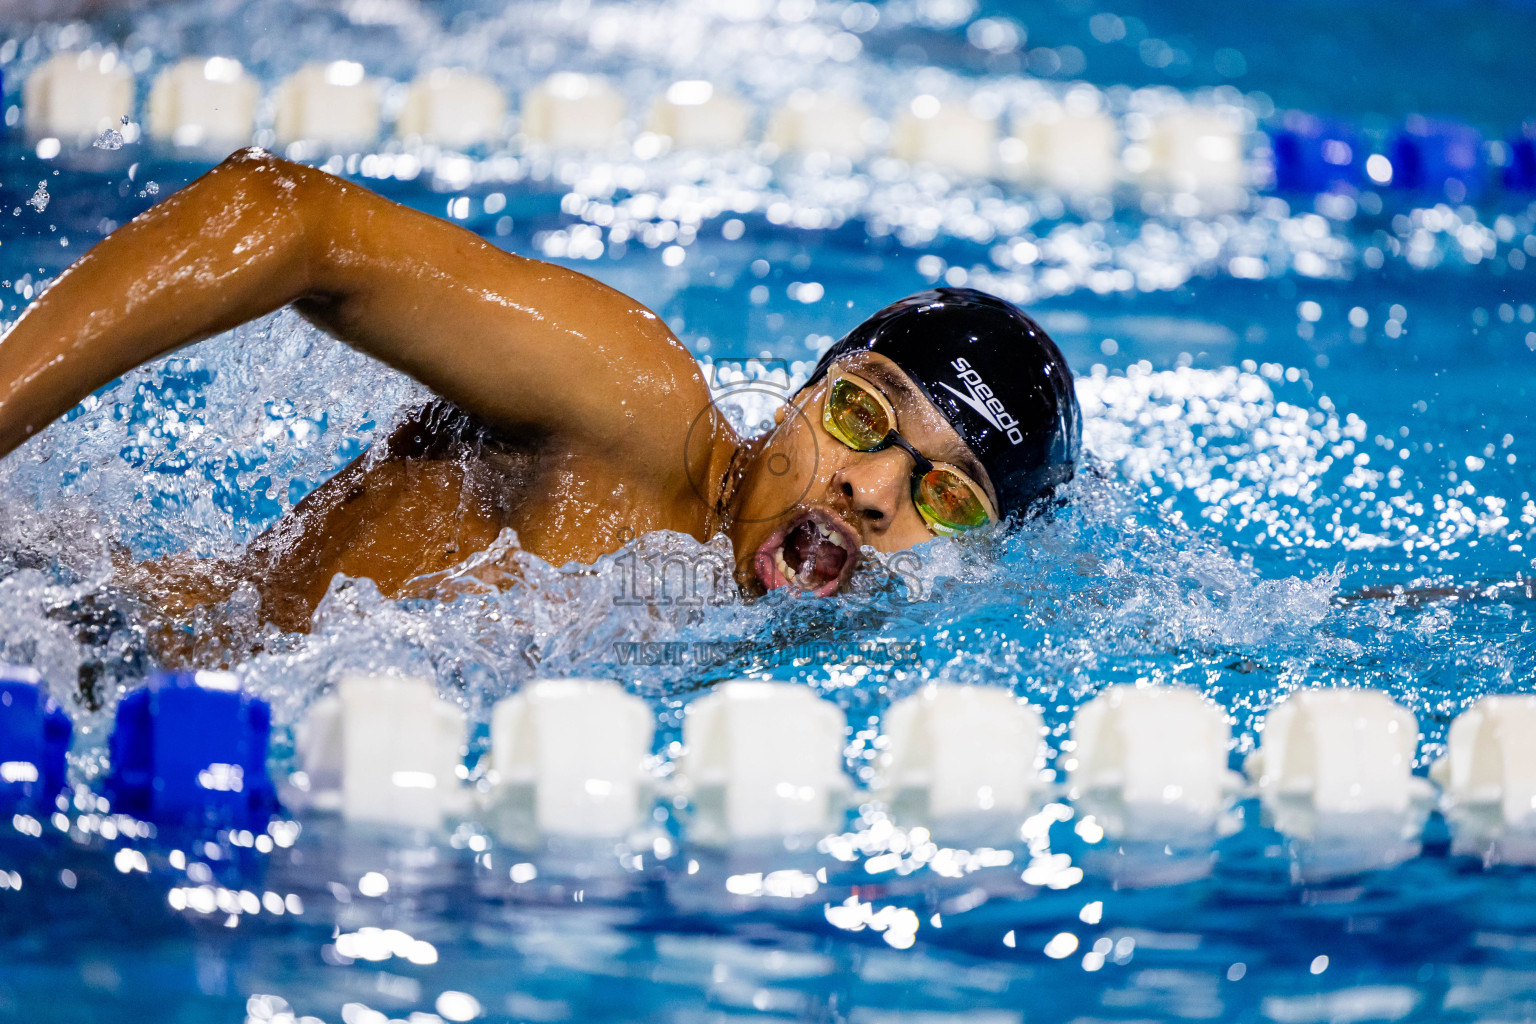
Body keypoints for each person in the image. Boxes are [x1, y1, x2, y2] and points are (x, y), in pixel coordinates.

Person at [0, 148, 1080, 635]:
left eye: (946, 498)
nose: (872, 492)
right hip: (91, 636)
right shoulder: (635, 411)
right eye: (862, 415)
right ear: (803, 393)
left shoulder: (781, 645)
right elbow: (285, 214)